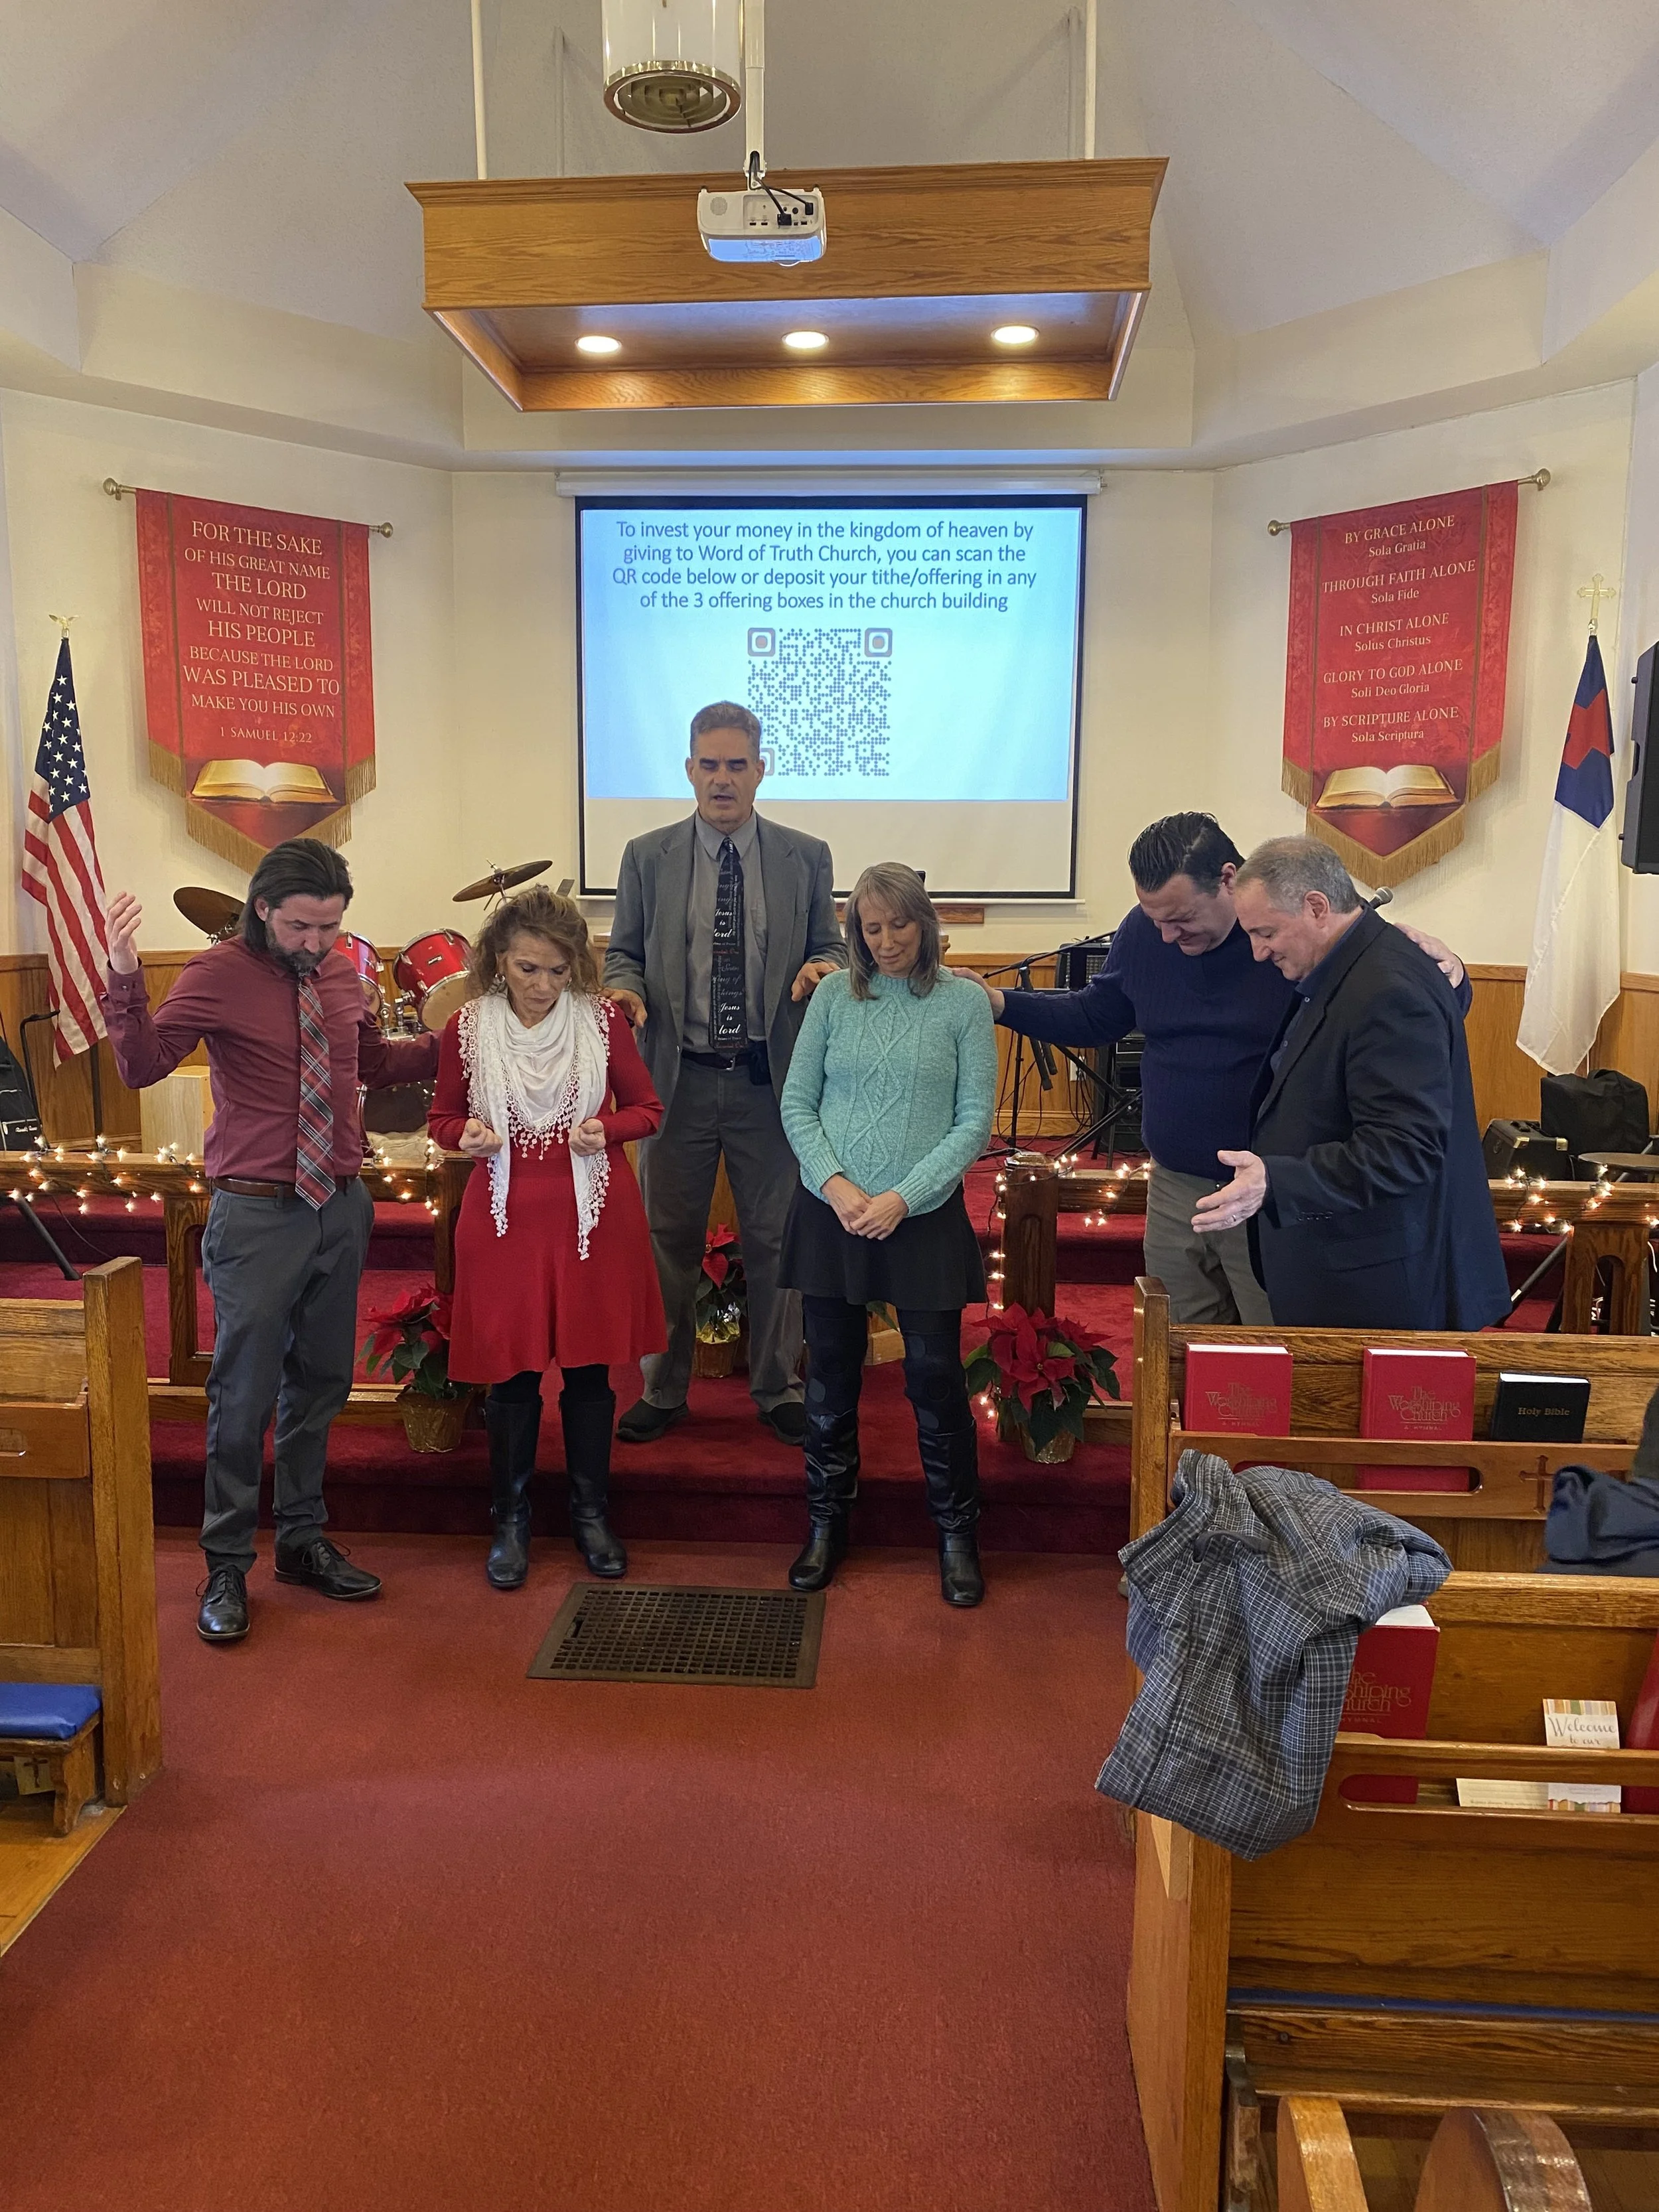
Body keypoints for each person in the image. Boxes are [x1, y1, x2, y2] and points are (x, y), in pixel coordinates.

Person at [100, 839, 440, 1644]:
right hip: (257, 1214)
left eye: (330, 926)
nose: (316, 942)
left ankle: (300, 1539)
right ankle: (224, 1564)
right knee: (242, 1393)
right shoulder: (216, 974)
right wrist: (122, 976)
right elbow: (142, 1066)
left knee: (321, 1382)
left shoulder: (340, 974)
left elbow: (373, 1063)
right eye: (300, 926)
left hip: (340, 1206)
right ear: (262, 910)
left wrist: (463, 1038)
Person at [976, 812, 1471, 1325]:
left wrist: (1453, 979)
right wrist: (1002, 1004)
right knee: (1179, 1348)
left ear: (1229, 880)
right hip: (1175, 1184)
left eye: (1182, 918)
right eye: (1155, 918)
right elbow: (1097, 1013)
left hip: (1273, 1187)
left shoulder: (1291, 933)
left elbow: (1393, 1001)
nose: (1167, 936)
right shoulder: (1145, 932)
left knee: (1270, 1349)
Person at [603, 701, 845, 1448]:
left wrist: (821, 969)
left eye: (737, 764)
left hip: (770, 1084)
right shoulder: (647, 856)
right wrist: (626, 991)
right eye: (708, 764)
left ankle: (777, 1386)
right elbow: (624, 956)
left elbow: (831, 949)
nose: (722, 779)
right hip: (677, 1077)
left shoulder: (807, 855)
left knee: (777, 1238)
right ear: (688, 770)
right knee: (665, 1236)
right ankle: (663, 1386)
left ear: (760, 769)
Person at [429, 889, 664, 1587]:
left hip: (593, 1218)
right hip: (503, 1224)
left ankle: (592, 1514)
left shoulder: (603, 1023)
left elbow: (647, 1108)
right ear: (500, 961)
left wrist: (609, 1129)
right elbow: (442, 1118)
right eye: (529, 970)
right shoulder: (466, 1028)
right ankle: (511, 1518)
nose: (542, 986)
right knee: (513, 1377)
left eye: (558, 972)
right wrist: (463, 1135)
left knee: (592, 1375)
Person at [778, 863, 997, 1607]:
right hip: (832, 1213)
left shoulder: (964, 1003)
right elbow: (797, 1104)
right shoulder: (835, 996)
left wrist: (903, 1197)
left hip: (921, 1217)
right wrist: (837, 1187)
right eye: (870, 930)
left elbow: (974, 1121)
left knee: (936, 1387)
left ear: (925, 922)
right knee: (830, 1384)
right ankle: (825, 1525)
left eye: (899, 924)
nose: (886, 941)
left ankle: (956, 1534)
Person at [1192, 836, 1508, 1331]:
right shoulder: (1353, 966)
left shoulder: (1386, 987)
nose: (1257, 952)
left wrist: (1276, 1180)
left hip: (1382, 1292)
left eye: (1266, 931)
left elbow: (1404, 1149)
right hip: (1351, 1271)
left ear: (1317, 907)